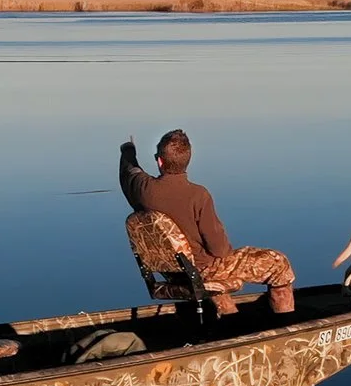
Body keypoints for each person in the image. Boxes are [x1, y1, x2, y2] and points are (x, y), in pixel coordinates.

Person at [119, 129, 296, 314]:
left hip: (173, 272)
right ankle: (285, 322)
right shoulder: (198, 195)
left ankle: (229, 318)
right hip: (203, 269)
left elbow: (129, 172)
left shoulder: (142, 190)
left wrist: (128, 151)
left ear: (160, 161)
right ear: (187, 161)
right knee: (278, 263)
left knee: (216, 268)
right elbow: (219, 249)